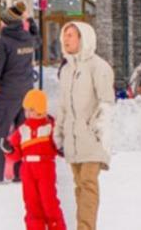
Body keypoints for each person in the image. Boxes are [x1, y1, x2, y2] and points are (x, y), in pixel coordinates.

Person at [55, 21, 114, 230]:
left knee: (88, 184)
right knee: (79, 185)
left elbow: (106, 101)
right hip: (73, 138)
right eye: (65, 35)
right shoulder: (66, 70)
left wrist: (98, 129)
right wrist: (59, 133)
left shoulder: (98, 67)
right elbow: (63, 104)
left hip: (91, 137)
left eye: (71, 35)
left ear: (83, 38)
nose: (66, 39)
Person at [0, 2, 37, 183]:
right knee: (22, 133)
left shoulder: (4, 41)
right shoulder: (28, 38)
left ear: (6, 23)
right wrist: (30, 19)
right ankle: (21, 172)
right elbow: (38, 38)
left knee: (0, 133)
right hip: (27, 92)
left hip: (9, 93)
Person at [2, 89, 66, 230]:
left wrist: (62, 148)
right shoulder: (22, 129)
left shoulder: (50, 127)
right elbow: (15, 152)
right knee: (31, 204)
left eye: (31, 110)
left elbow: (58, 145)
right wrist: (9, 149)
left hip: (45, 168)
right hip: (27, 170)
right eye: (26, 110)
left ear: (40, 110)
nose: (27, 114)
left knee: (49, 203)